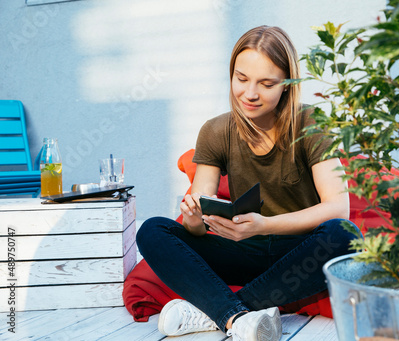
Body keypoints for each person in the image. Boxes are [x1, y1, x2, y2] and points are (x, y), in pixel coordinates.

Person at [136, 25, 359, 341]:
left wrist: (264, 225)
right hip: (241, 249)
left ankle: (218, 313)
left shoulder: (312, 122)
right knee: (152, 230)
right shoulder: (215, 131)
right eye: (241, 79)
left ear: (287, 85)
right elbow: (199, 225)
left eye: (266, 83)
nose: (250, 94)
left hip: (297, 254)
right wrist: (193, 218)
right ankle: (238, 316)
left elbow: (339, 207)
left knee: (344, 235)